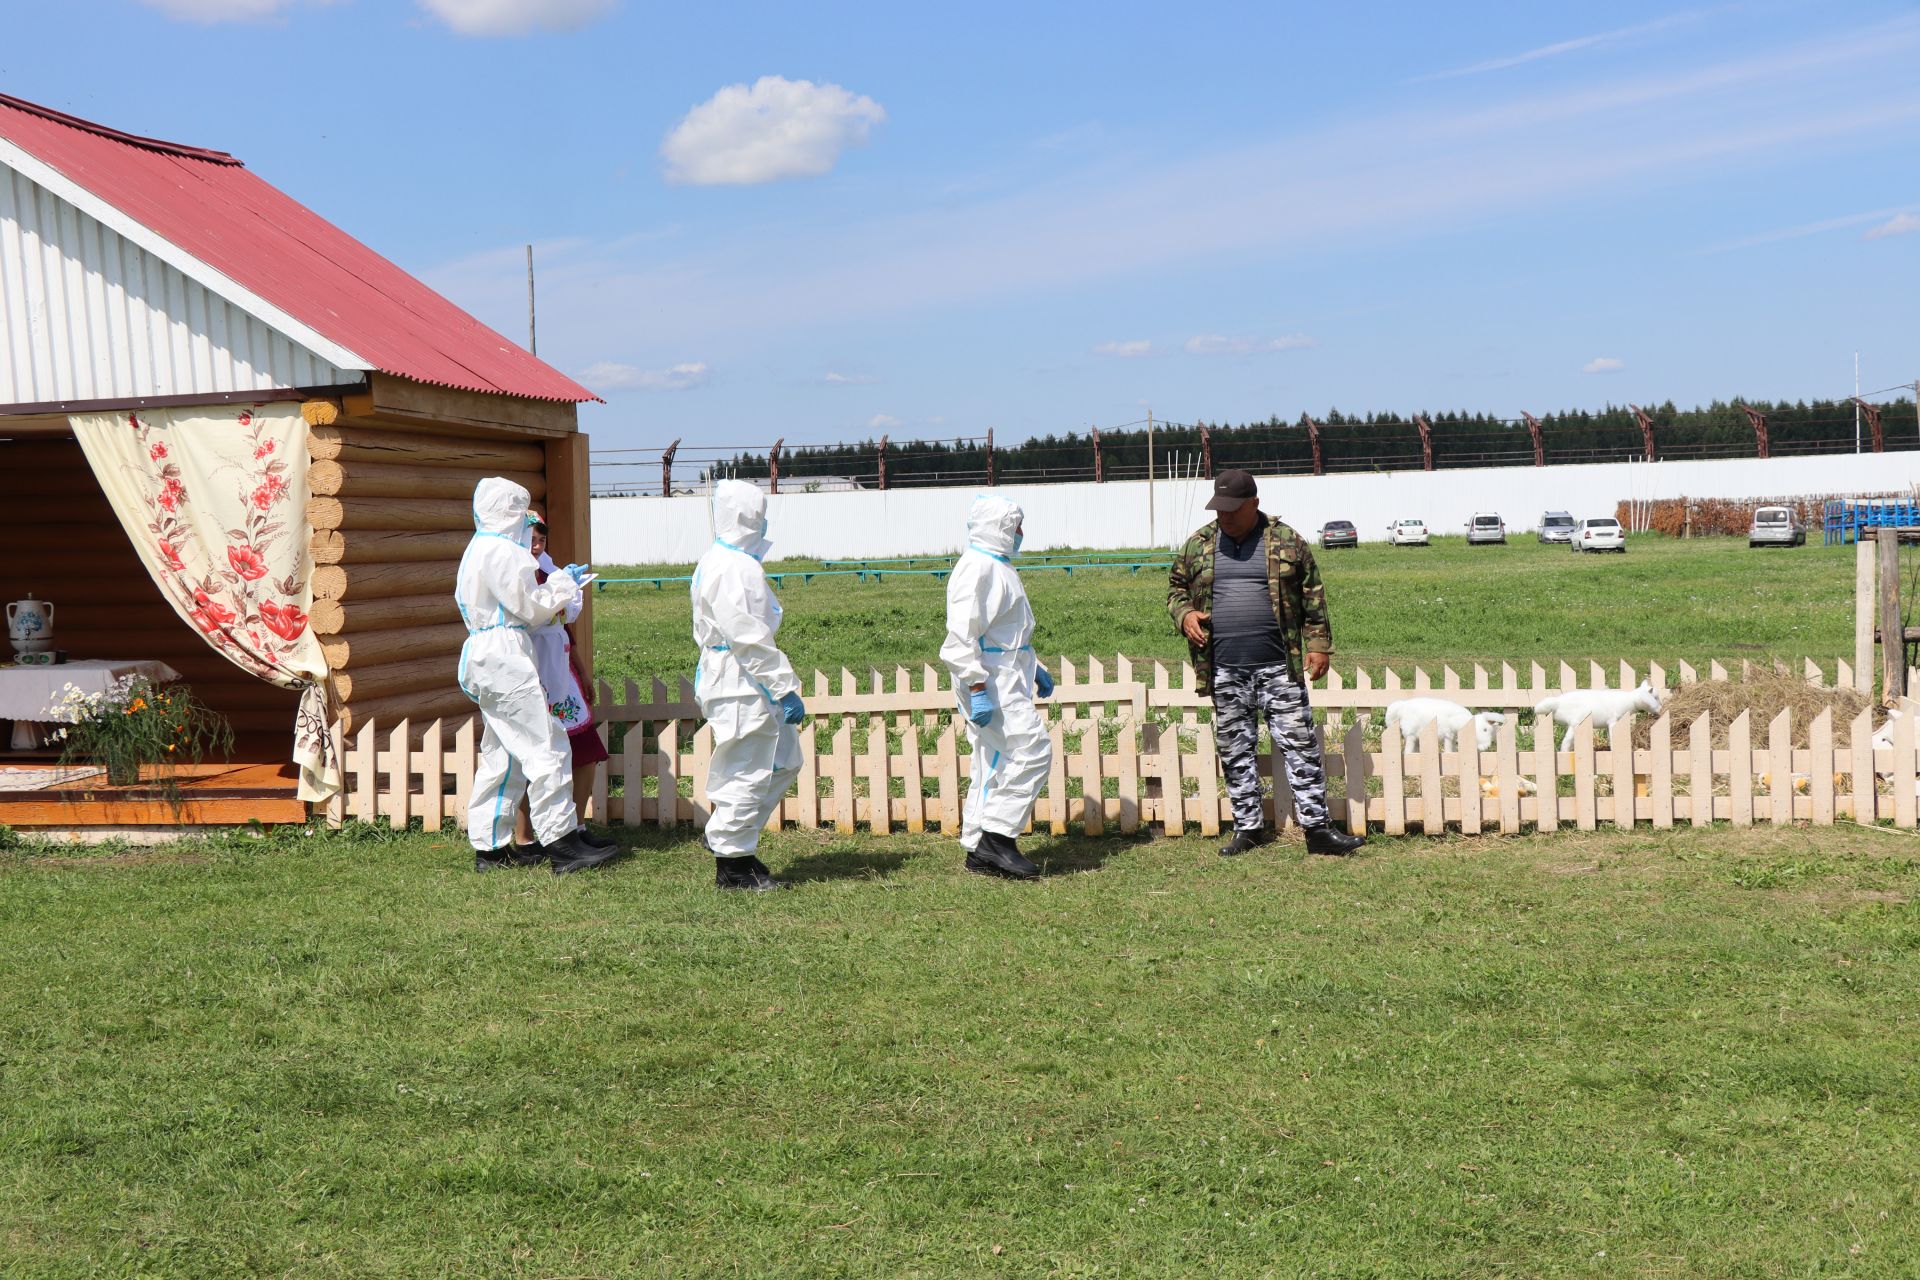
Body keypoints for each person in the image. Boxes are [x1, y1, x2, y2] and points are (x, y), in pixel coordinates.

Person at [1167, 469, 1364, 858]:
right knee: (1236, 749)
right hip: (1224, 667)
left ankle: (1318, 831)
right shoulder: (1199, 544)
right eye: (1219, 509)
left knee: (1301, 747)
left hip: (1279, 665)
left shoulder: (1287, 541)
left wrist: (1319, 644)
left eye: (1232, 510)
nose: (1223, 516)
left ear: (1254, 504)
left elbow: (1313, 593)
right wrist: (1185, 615)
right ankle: (1248, 828)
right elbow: (1176, 589)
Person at [456, 477, 618, 875]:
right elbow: (532, 608)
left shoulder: (476, 549)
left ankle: (489, 849)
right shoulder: (503, 552)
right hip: (506, 654)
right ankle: (562, 843)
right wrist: (563, 583)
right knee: (547, 745)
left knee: (503, 756)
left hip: (484, 654)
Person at [692, 480, 806, 891]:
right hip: (741, 679)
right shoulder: (734, 567)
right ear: (748, 516)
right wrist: (783, 685)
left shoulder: (729, 560)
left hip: (743, 677)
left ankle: (732, 839)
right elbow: (747, 636)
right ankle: (733, 867)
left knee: (783, 761)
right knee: (746, 770)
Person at [940, 494, 1054, 879]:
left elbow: (1004, 631)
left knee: (991, 760)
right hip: (990, 679)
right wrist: (976, 687)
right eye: (1015, 525)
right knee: (1032, 750)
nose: (1021, 533)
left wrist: (1033, 666)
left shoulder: (996, 566)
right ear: (1000, 527)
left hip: (1003, 671)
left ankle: (978, 846)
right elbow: (961, 637)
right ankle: (998, 839)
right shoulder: (979, 569)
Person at [511, 514, 612, 854]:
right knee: (533, 758)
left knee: (586, 752)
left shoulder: (551, 571)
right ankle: (525, 838)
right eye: (531, 539)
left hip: (561, 671)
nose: (536, 545)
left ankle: (577, 826)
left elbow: (562, 629)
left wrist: (581, 671)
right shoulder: (516, 576)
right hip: (532, 673)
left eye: (541, 538)